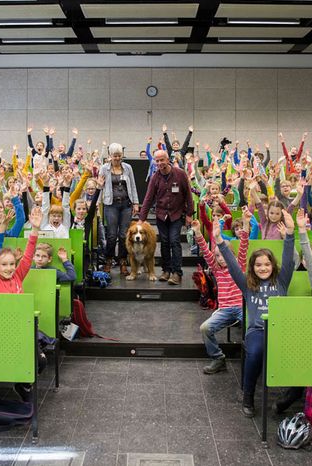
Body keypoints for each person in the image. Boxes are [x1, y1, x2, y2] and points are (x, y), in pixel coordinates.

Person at [216, 211, 296, 418]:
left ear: (273, 266)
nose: (263, 268)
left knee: (301, 357)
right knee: (255, 352)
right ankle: (248, 396)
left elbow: (288, 259)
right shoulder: (248, 285)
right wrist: (220, 242)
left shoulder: (282, 281)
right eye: (258, 265)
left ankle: (285, 401)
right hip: (258, 331)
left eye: (267, 264)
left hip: (282, 331)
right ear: (252, 267)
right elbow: (233, 267)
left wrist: (290, 233)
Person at [191, 209, 247, 375]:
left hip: (241, 307)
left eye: (224, 254)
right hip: (224, 309)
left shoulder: (239, 264)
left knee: (255, 328)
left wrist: (245, 222)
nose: (221, 258)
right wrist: (197, 233)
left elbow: (244, 243)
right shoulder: (216, 269)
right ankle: (218, 358)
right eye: (218, 256)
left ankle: (255, 358)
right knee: (205, 328)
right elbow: (207, 253)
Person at [139, 149, 194, 285]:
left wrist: (189, 214)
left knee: (174, 241)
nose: (159, 163)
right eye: (157, 161)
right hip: (161, 215)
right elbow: (148, 198)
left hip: (176, 214)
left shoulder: (180, 174)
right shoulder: (155, 177)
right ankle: (166, 270)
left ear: (168, 159)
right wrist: (142, 218)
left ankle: (177, 273)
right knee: (164, 242)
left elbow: (188, 195)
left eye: (162, 160)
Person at [98, 143, 139, 276]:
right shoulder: (104, 168)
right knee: (111, 235)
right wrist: (98, 204)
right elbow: (100, 187)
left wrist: (136, 203)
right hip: (111, 205)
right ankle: (108, 261)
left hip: (126, 204)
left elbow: (132, 185)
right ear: (110, 156)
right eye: (114, 156)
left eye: (119, 156)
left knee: (123, 235)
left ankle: (122, 262)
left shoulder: (128, 168)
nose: (117, 158)